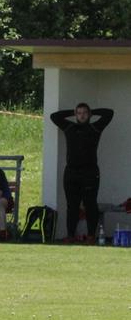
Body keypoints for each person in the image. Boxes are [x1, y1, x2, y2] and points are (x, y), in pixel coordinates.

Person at [50, 103, 114, 243]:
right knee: (72, 205)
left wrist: (92, 111)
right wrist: (72, 112)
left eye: (85, 113)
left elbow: (109, 112)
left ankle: (91, 235)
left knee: (90, 204)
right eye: (79, 113)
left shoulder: (95, 128)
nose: (82, 115)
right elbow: (54, 116)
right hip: (71, 172)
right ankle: (71, 235)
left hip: (90, 172)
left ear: (89, 114)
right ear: (76, 114)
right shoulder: (69, 127)